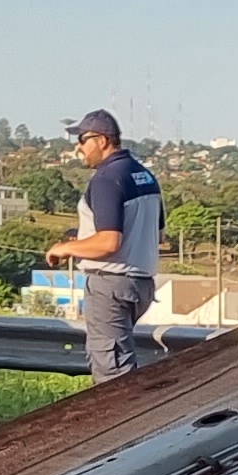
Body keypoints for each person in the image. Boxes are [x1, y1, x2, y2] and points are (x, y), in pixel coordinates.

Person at [46, 109, 161, 378]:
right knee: (119, 364)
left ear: (102, 140)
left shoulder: (107, 178)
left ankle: (128, 421)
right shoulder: (144, 176)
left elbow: (109, 241)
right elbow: (158, 235)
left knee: (113, 374)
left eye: (83, 139)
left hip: (110, 283)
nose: (79, 148)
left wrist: (65, 248)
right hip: (140, 284)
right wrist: (84, 236)